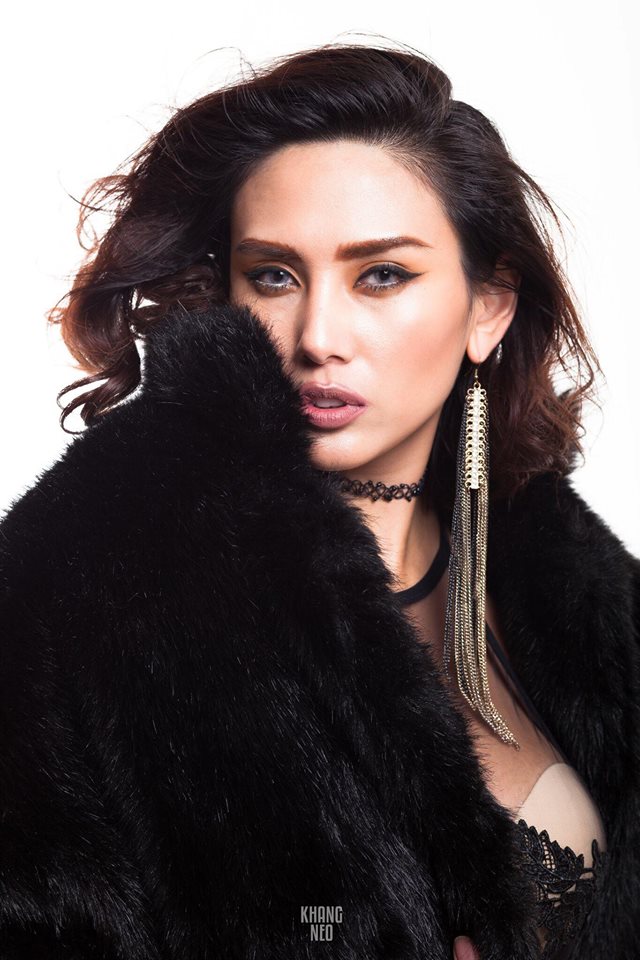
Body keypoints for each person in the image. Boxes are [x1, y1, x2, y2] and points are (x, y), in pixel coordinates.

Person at [0, 39, 638, 960]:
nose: (318, 336)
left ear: (488, 308)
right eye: (274, 275)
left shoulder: (583, 591)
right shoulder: (84, 574)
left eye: (382, 275)